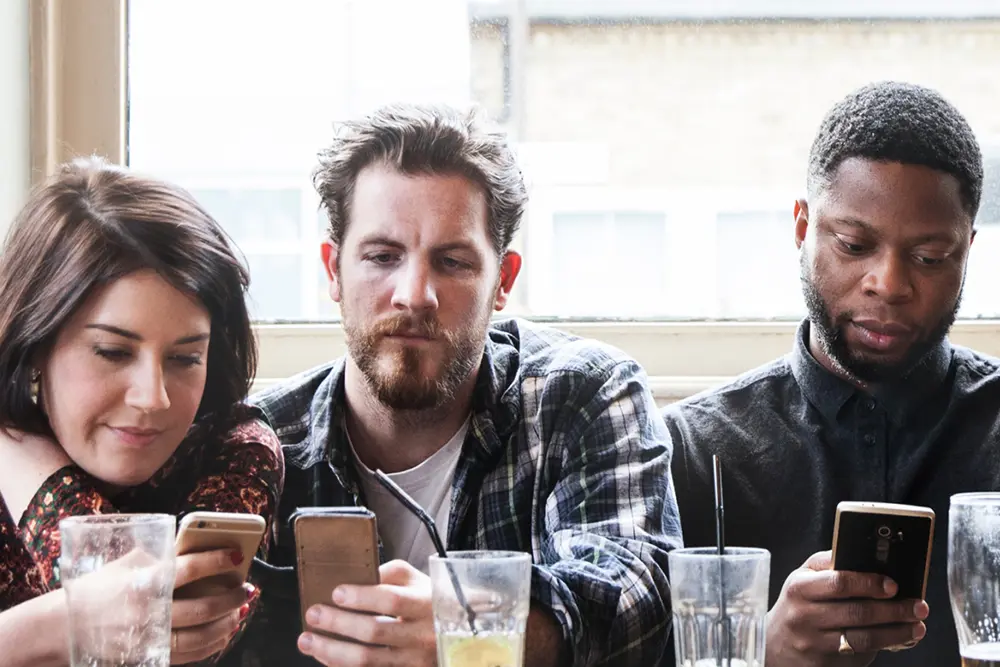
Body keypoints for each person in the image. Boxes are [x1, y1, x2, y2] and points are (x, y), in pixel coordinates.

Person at [234, 103, 681, 667]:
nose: (415, 293)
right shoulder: (264, 440)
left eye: (451, 262)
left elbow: (637, 597)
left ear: (503, 281)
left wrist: (469, 633)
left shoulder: (583, 395)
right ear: (332, 271)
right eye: (381, 256)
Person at [664, 80, 1000, 667]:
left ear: (967, 251)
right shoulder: (691, 450)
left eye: (929, 258)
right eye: (853, 244)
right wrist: (759, 652)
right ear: (802, 227)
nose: (888, 284)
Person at [0, 158, 284, 666]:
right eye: (112, 352)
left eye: (184, 358)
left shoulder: (237, 447)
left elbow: (162, 622)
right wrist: (57, 625)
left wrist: (29, 469)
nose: (153, 397)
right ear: (36, 342)